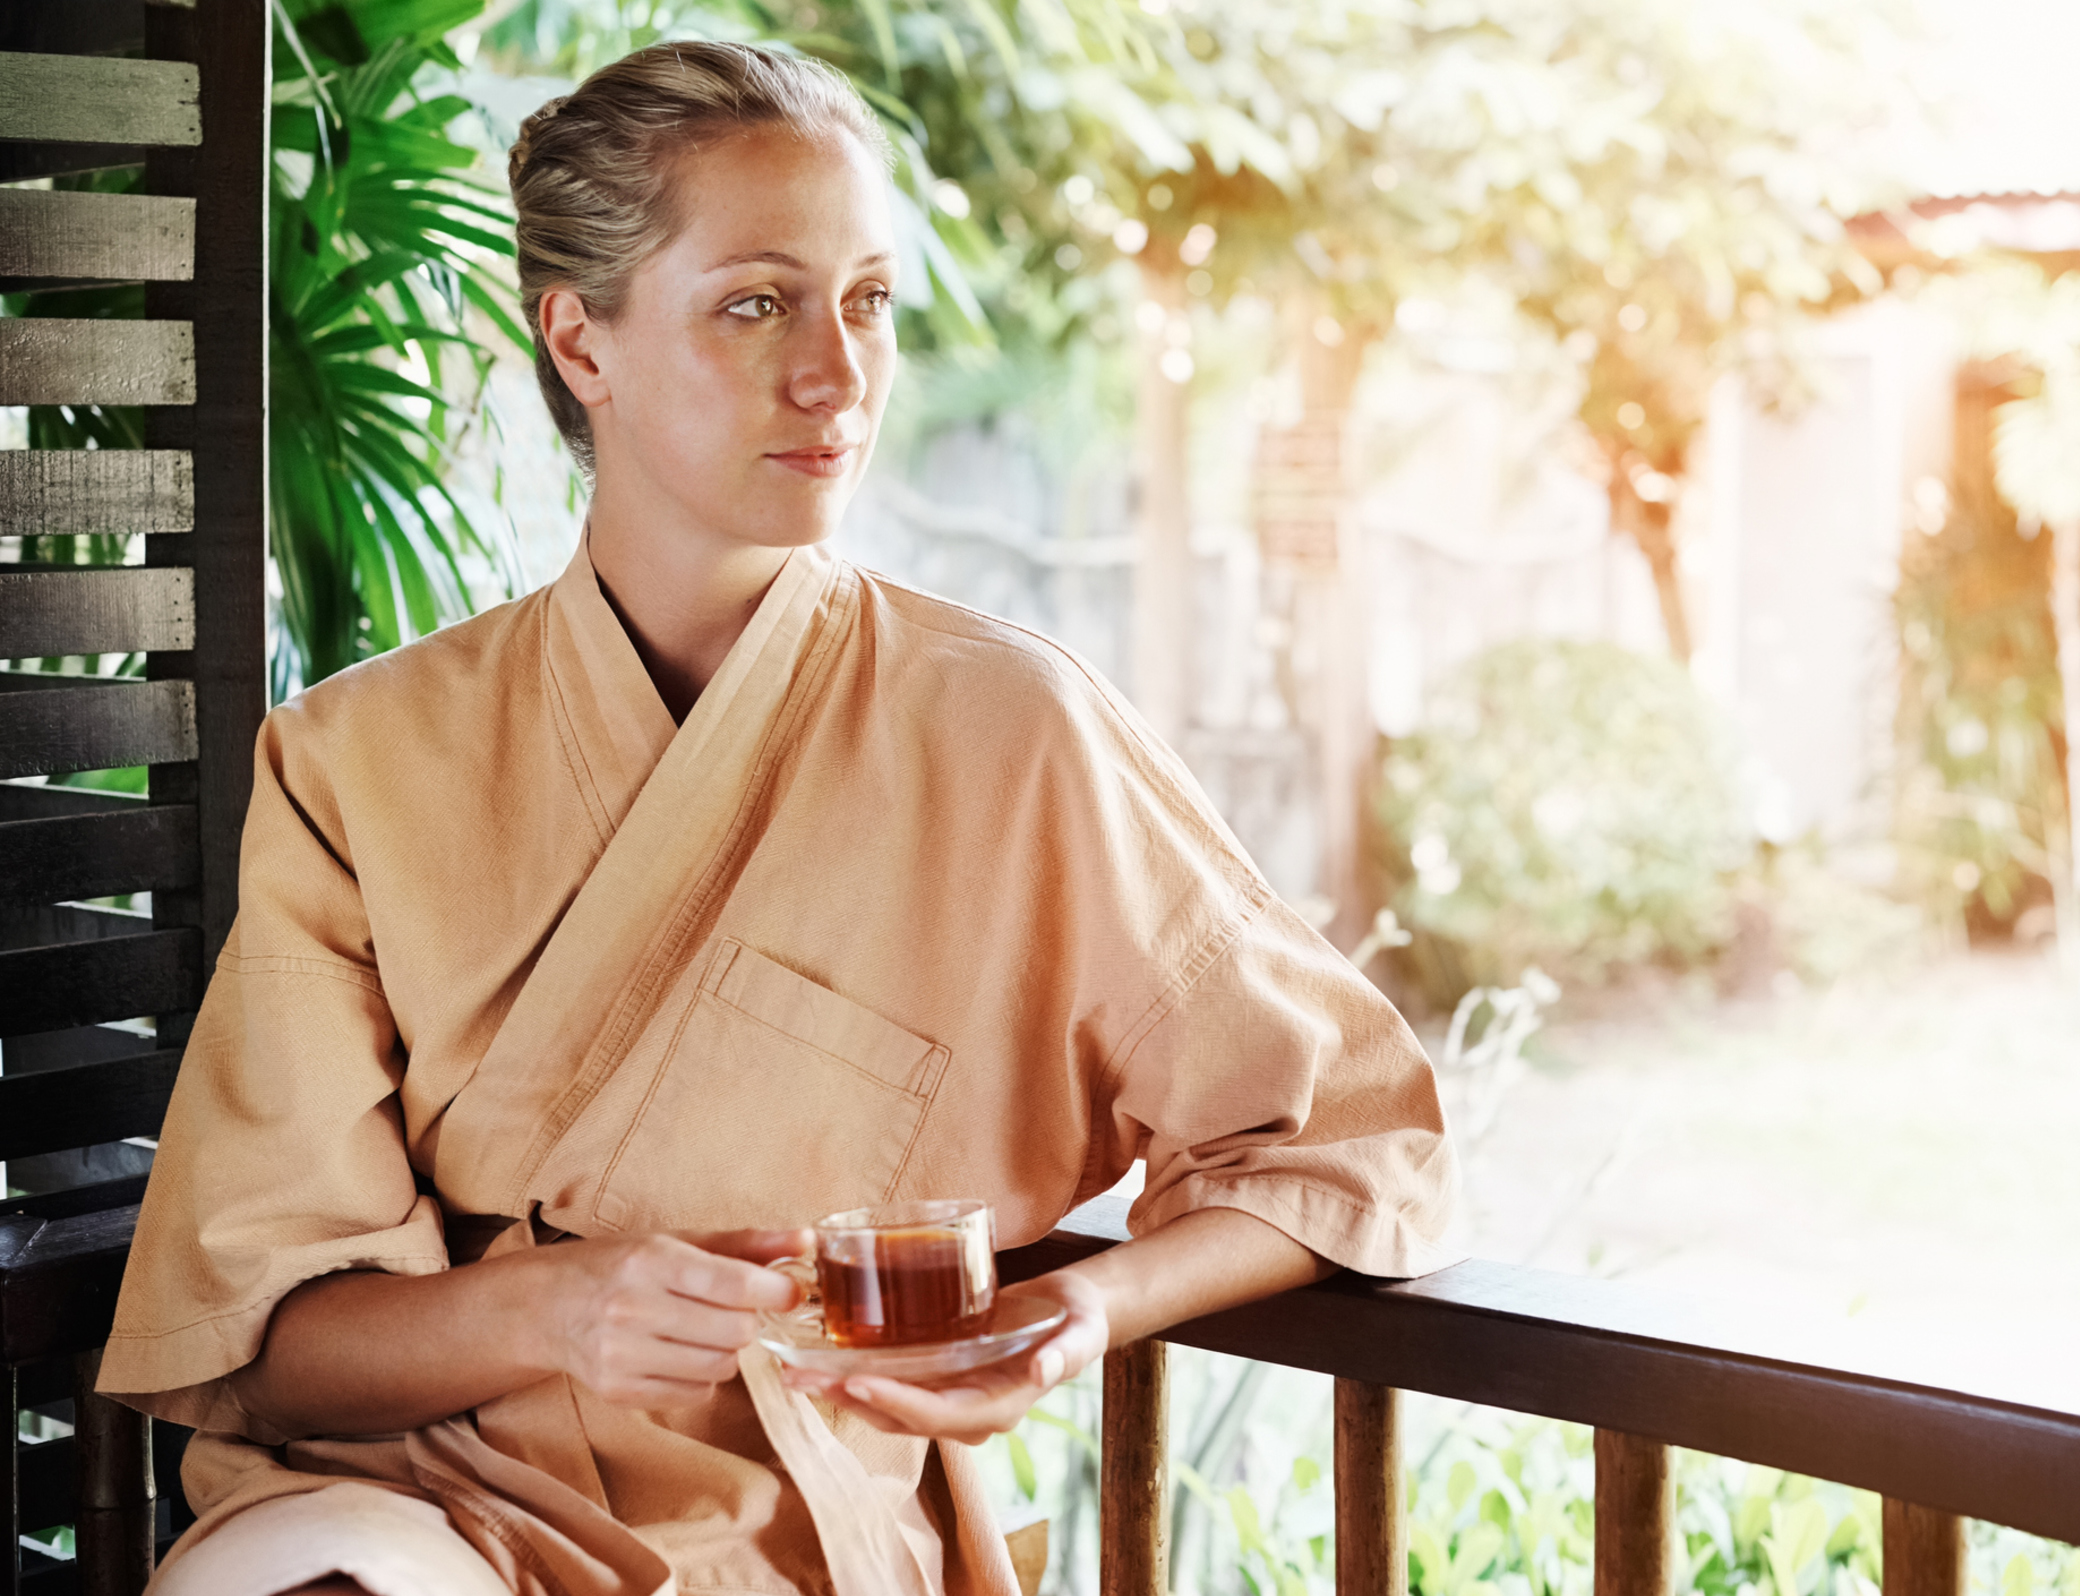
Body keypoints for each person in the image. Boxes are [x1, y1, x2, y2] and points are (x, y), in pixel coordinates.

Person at [98, 39, 1456, 1596]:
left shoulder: (1012, 731)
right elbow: (269, 1353)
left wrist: (1091, 1306)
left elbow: (1349, 1134)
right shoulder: (354, 757)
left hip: (781, 1526)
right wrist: (562, 1310)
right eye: (756, 303)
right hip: (410, 1507)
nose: (836, 373)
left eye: (866, 300)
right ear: (580, 341)